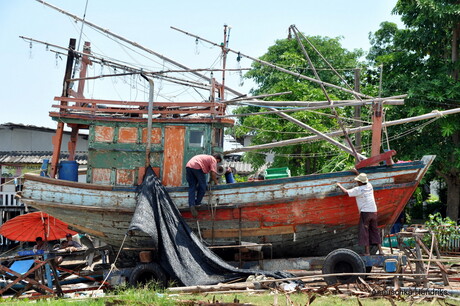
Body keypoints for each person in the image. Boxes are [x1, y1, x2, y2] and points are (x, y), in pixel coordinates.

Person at [336, 173, 384, 256]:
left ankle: (367, 252)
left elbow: (346, 192)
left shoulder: (358, 189)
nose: (357, 182)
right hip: (373, 211)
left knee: (364, 231)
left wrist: (339, 185)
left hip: (365, 212)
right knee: (374, 230)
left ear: (360, 182)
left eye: (358, 181)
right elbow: (363, 179)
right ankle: (381, 251)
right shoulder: (369, 185)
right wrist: (356, 172)